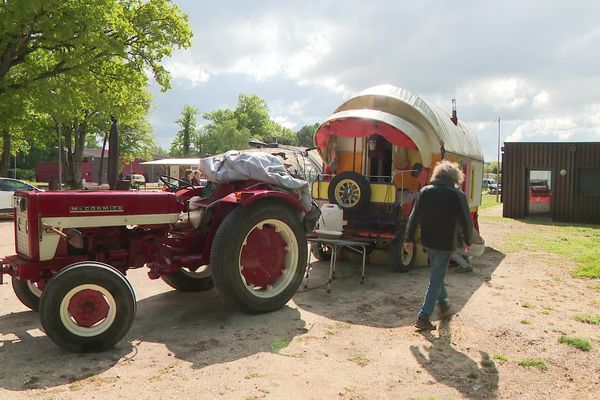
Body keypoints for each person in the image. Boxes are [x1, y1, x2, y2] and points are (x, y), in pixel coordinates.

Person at [403, 160, 473, 331]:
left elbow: (414, 217)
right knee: (436, 277)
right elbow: (466, 220)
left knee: (437, 273)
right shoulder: (458, 195)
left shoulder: (425, 191)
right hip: (445, 242)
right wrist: (467, 240)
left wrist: (408, 239)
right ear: (455, 176)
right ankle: (423, 316)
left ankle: (443, 304)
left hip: (428, 241)